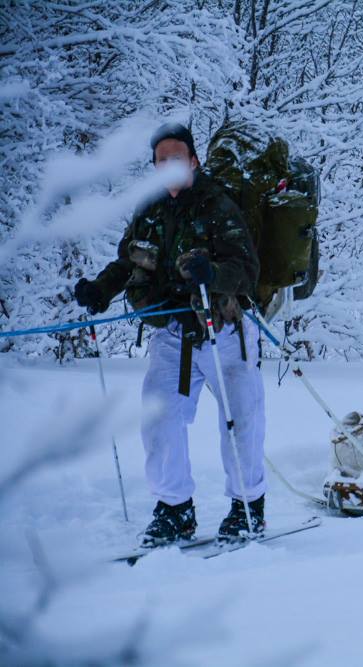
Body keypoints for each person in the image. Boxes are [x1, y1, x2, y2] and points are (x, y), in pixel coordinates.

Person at [74, 123, 266, 545]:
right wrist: (101, 290)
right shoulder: (150, 208)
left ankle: (247, 507)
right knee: (159, 420)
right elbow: (130, 260)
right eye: (162, 161)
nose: (170, 166)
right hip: (171, 334)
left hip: (225, 331)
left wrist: (211, 274)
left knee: (240, 420)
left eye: (177, 158)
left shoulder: (219, 205)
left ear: (193, 161)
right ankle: (175, 509)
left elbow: (246, 270)